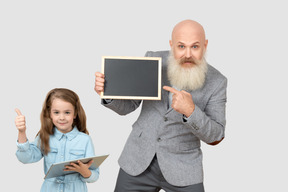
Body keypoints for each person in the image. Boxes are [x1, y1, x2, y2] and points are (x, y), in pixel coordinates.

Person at [95, 19, 227, 192]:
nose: (188, 54)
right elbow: (129, 105)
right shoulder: (153, 59)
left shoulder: (217, 82)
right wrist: (108, 92)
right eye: (181, 46)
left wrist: (191, 111)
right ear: (172, 45)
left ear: (205, 45)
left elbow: (216, 135)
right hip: (137, 160)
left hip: (184, 168)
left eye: (195, 47)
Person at [15, 88, 99, 192]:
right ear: (50, 114)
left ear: (75, 114)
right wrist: (22, 132)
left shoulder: (85, 140)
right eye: (56, 112)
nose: (62, 117)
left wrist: (85, 171)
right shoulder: (44, 136)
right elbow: (26, 158)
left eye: (67, 112)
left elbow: (95, 175)